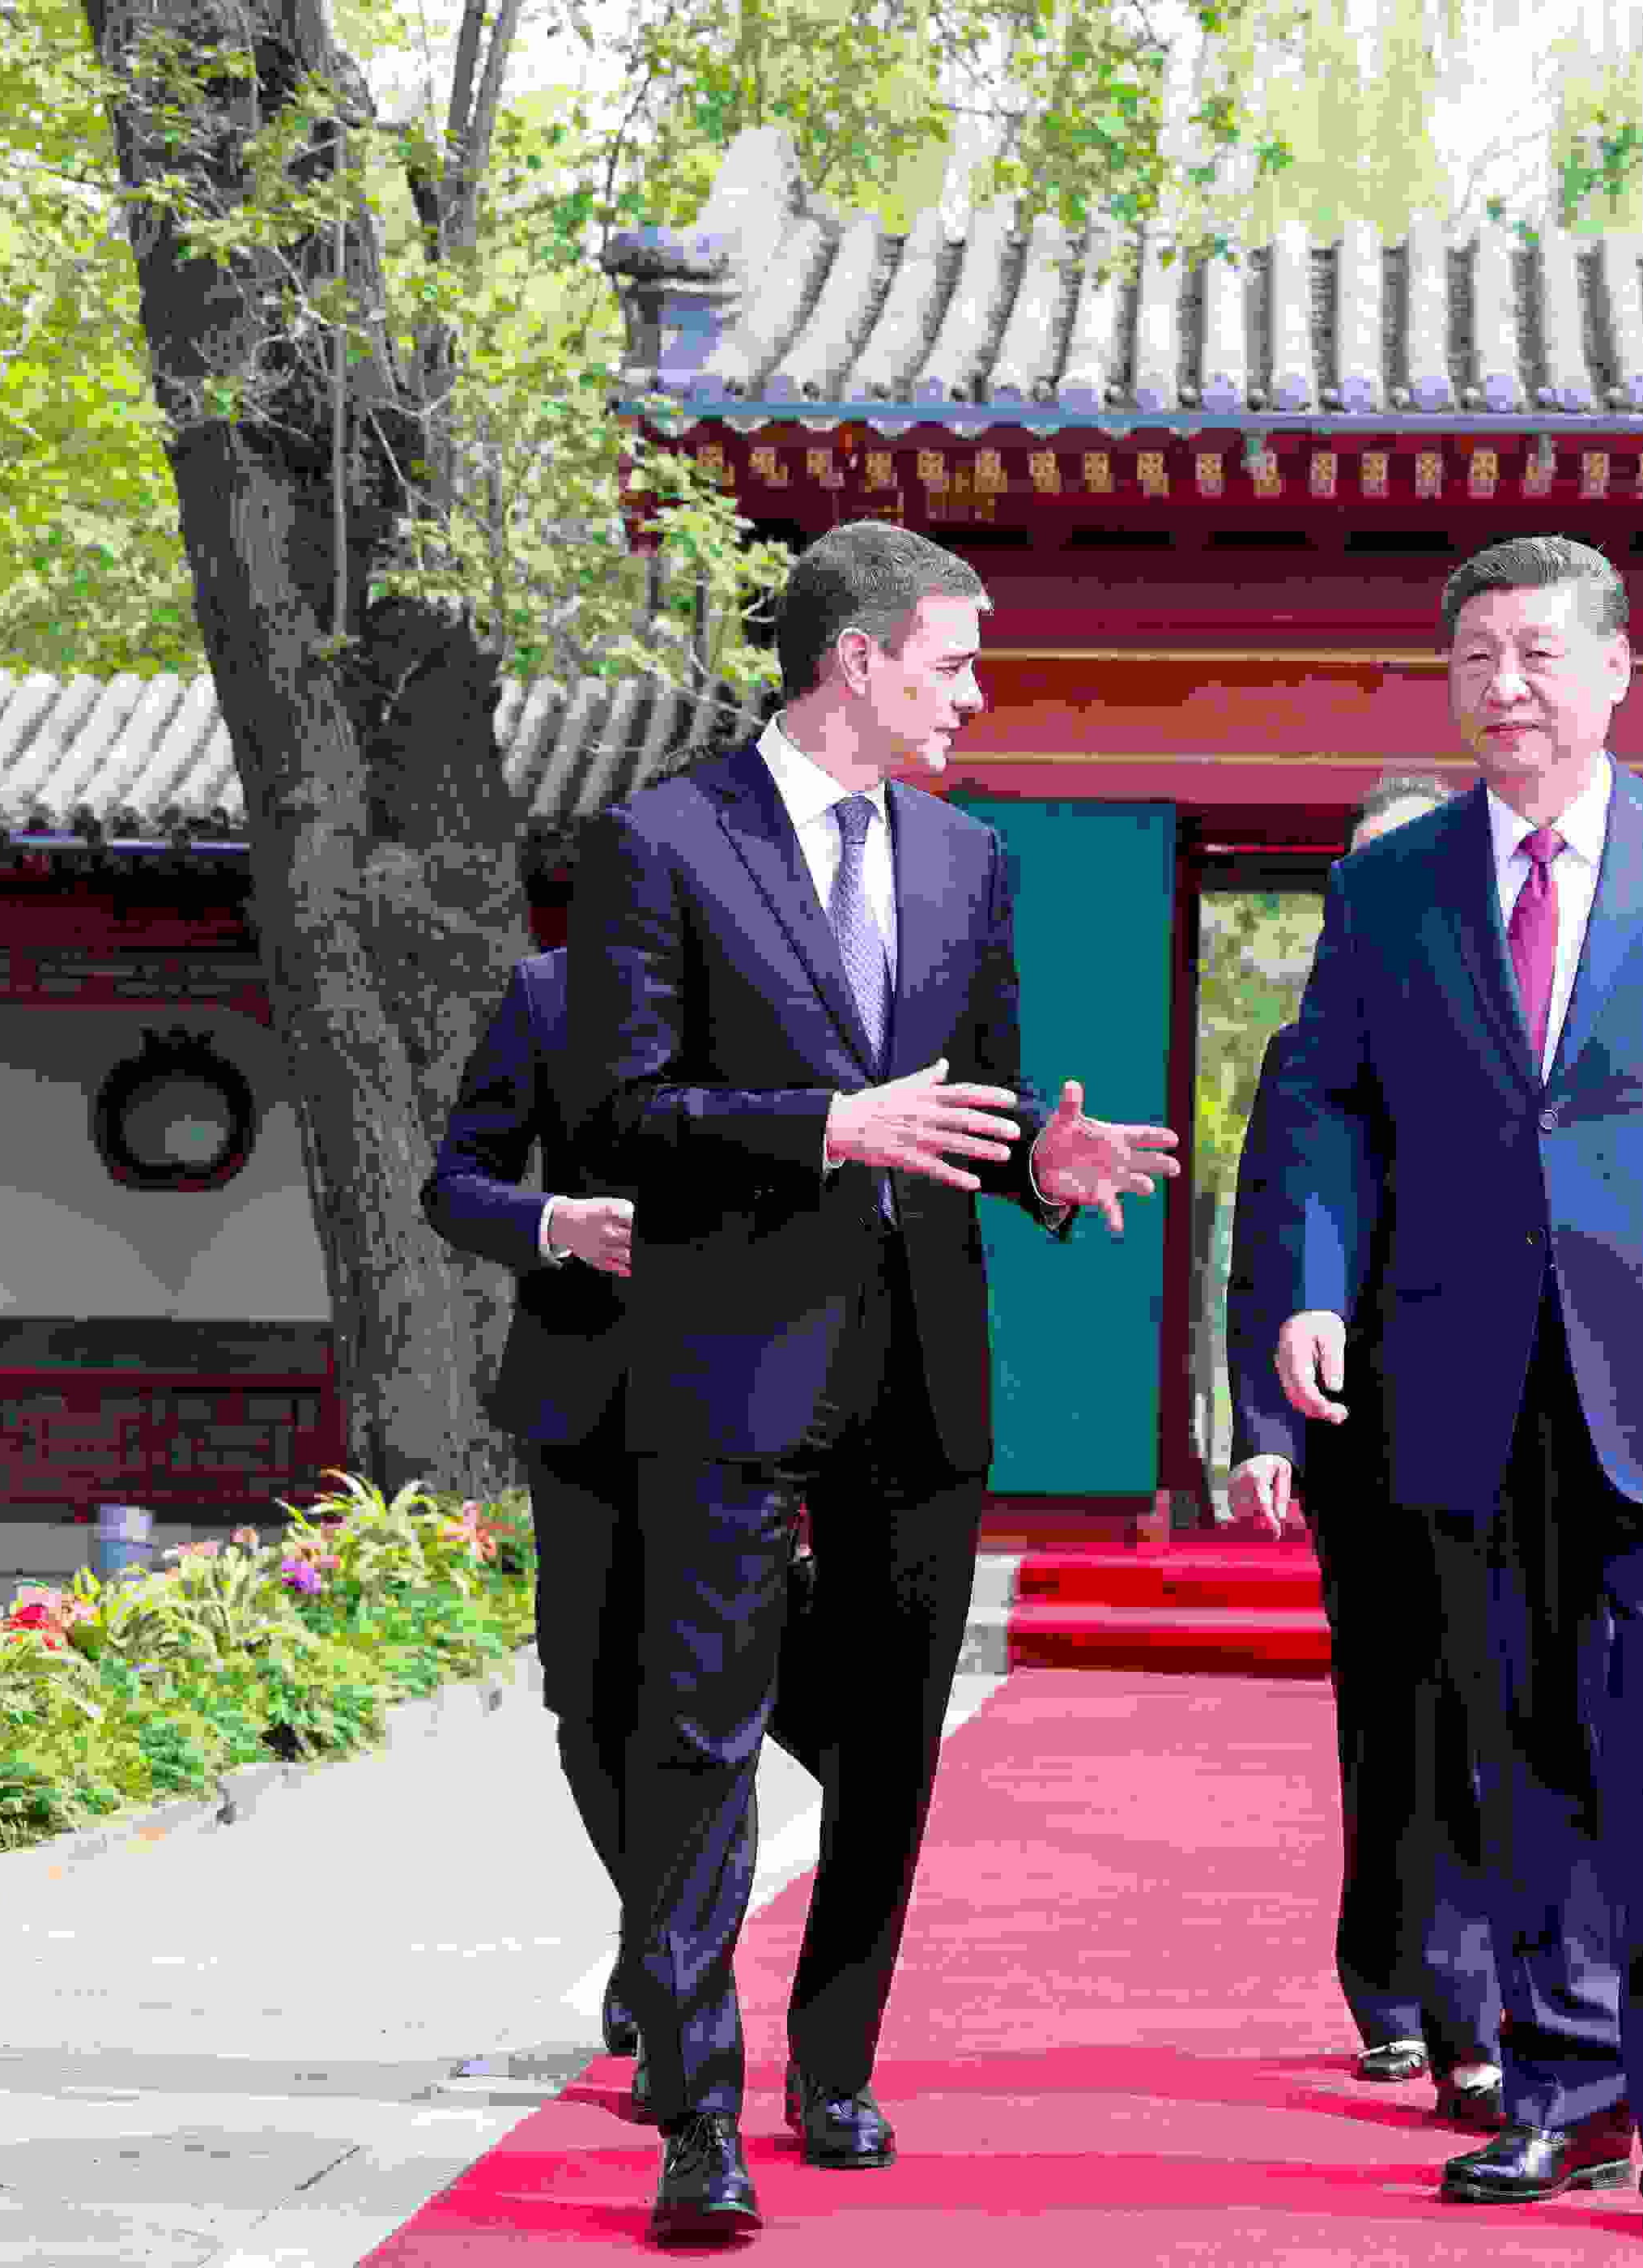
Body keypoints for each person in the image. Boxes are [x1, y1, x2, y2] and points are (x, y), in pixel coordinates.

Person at [1244, 535, 1643, 2222]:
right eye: (1477, 658)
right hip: (1468, 1363)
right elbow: (1323, 1105)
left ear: (1614, 670)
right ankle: (1565, 2089)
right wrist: (1310, 1290)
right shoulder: (1392, 885)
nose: (1506, 687)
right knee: (1516, 1737)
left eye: (1537, 653)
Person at [560, 520, 1182, 2243]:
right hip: (728, 1359)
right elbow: (616, 1115)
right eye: (955, 662)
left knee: (892, 1744)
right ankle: (697, 2114)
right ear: (857, 659)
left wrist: (1040, 1165)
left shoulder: (971, 858)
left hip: (920, 1368)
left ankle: (835, 2062)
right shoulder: (658, 842)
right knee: (698, 1737)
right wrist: (825, 1127)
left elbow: (977, 1105)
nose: (975, 694)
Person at [420, 947, 828, 2122]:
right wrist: (554, 1220)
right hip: (583, 1403)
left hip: (758, 1404)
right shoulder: (550, 992)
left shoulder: (796, 985)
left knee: (704, 1713)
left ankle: (680, 1998)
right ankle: (661, 1940)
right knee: (591, 1702)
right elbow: (455, 1184)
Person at [1224, 770, 1504, 2129]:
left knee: (1491, 1704)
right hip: (1361, 1424)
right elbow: (1267, 1242)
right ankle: (1395, 1983)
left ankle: (1482, 2002)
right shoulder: (1305, 1054)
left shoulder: (1513, 1032)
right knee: (1394, 1712)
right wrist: (1262, 1427)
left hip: (1501, 1410)